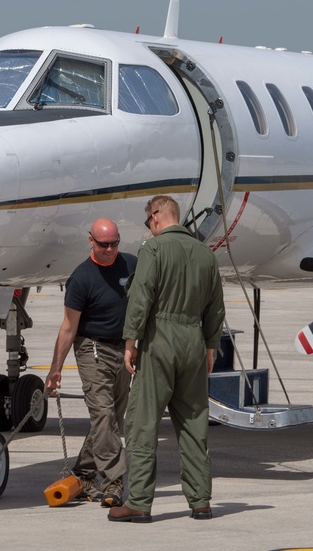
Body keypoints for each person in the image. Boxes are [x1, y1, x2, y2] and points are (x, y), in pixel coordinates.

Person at [108, 195, 225, 523]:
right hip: (194, 341)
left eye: (149, 221)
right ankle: (201, 501)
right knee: (193, 423)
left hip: (160, 340)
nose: (150, 227)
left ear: (158, 215)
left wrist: (130, 341)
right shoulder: (206, 253)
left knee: (142, 423)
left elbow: (141, 297)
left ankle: (140, 503)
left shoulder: (154, 250)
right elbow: (215, 305)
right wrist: (211, 345)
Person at [45, 218, 136, 507]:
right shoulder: (81, 278)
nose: (109, 249)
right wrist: (55, 370)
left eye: (114, 243)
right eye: (103, 244)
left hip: (124, 349)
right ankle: (114, 479)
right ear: (91, 241)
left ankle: (84, 474)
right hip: (92, 348)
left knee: (113, 417)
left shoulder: (132, 265)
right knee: (102, 412)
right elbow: (69, 327)